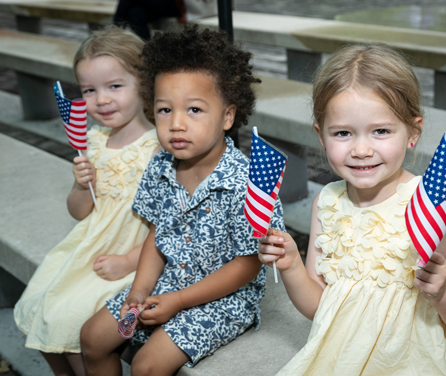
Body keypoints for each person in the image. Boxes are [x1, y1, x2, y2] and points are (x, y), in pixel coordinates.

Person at [258, 44, 446, 375]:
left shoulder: (433, 208)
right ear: (322, 136)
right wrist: (291, 264)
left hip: (410, 361)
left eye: (380, 131)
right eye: (343, 133)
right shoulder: (327, 203)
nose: (361, 150)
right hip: (341, 358)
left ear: (412, 132)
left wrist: (443, 293)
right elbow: (319, 307)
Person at [80, 25, 285, 376]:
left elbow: (247, 264)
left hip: (224, 298)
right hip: (169, 281)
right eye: (164, 110)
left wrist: (177, 302)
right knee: (92, 338)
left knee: (147, 367)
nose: (176, 124)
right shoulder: (161, 165)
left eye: (194, 110)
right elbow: (158, 234)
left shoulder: (246, 183)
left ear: (227, 116)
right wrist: (140, 290)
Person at [13, 26, 160, 376]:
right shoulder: (92, 141)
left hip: (137, 255)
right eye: (89, 90)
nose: (101, 100)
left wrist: (128, 261)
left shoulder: (160, 148)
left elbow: (172, 225)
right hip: (93, 245)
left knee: (68, 321)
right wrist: (81, 188)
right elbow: (80, 212)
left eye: (114, 86)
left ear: (144, 82)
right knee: (38, 305)